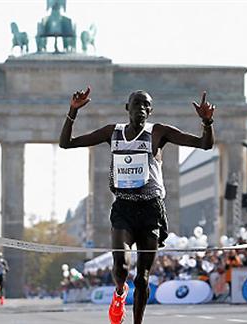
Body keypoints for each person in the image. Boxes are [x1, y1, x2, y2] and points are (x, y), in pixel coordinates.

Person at [59, 86, 215, 324]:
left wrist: (207, 122)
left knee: (142, 278)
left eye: (145, 105)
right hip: (124, 207)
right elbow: (66, 143)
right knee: (121, 267)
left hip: (151, 209)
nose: (141, 108)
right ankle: (119, 294)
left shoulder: (159, 132)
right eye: (136, 104)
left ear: (150, 111)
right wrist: (72, 111)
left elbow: (204, 144)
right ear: (127, 109)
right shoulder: (113, 132)